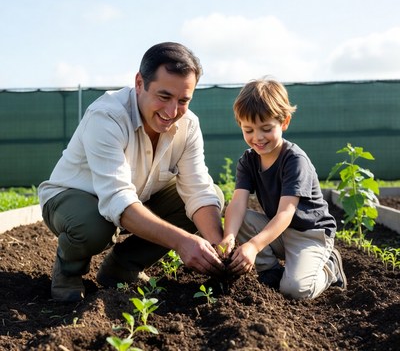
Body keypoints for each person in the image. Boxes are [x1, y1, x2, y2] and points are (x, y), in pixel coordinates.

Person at [38, 42, 225, 302]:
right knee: (92, 227)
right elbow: (117, 199)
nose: (172, 112)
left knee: (211, 195)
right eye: (164, 96)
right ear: (140, 83)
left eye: (183, 100)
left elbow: (198, 190)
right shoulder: (107, 116)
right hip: (72, 199)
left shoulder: (188, 125)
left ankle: (122, 266)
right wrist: (182, 242)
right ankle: (68, 271)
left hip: (137, 199)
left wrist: (219, 248)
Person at [218, 77, 347, 300]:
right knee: (241, 218)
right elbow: (238, 202)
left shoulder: (294, 160)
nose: (257, 137)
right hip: (279, 231)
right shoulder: (248, 161)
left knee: (296, 290)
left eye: (266, 128)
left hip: (310, 234)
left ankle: (330, 268)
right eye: (248, 130)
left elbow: (286, 213)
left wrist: (254, 246)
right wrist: (228, 237)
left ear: (284, 122)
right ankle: (271, 271)